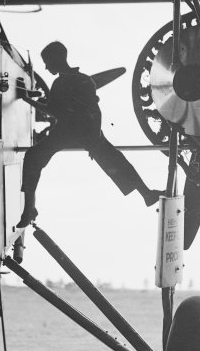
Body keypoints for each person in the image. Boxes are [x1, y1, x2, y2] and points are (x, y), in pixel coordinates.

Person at [17, 41, 162, 227]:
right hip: (83, 130)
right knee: (115, 159)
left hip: (72, 131)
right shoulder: (82, 80)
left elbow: (57, 111)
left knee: (33, 157)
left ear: (57, 58)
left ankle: (29, 209)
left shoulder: (63, 82)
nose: (46, 66)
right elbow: (88, 110)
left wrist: (27, 100)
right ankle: (146, 193)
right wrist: (95, 139)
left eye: (47, 62)